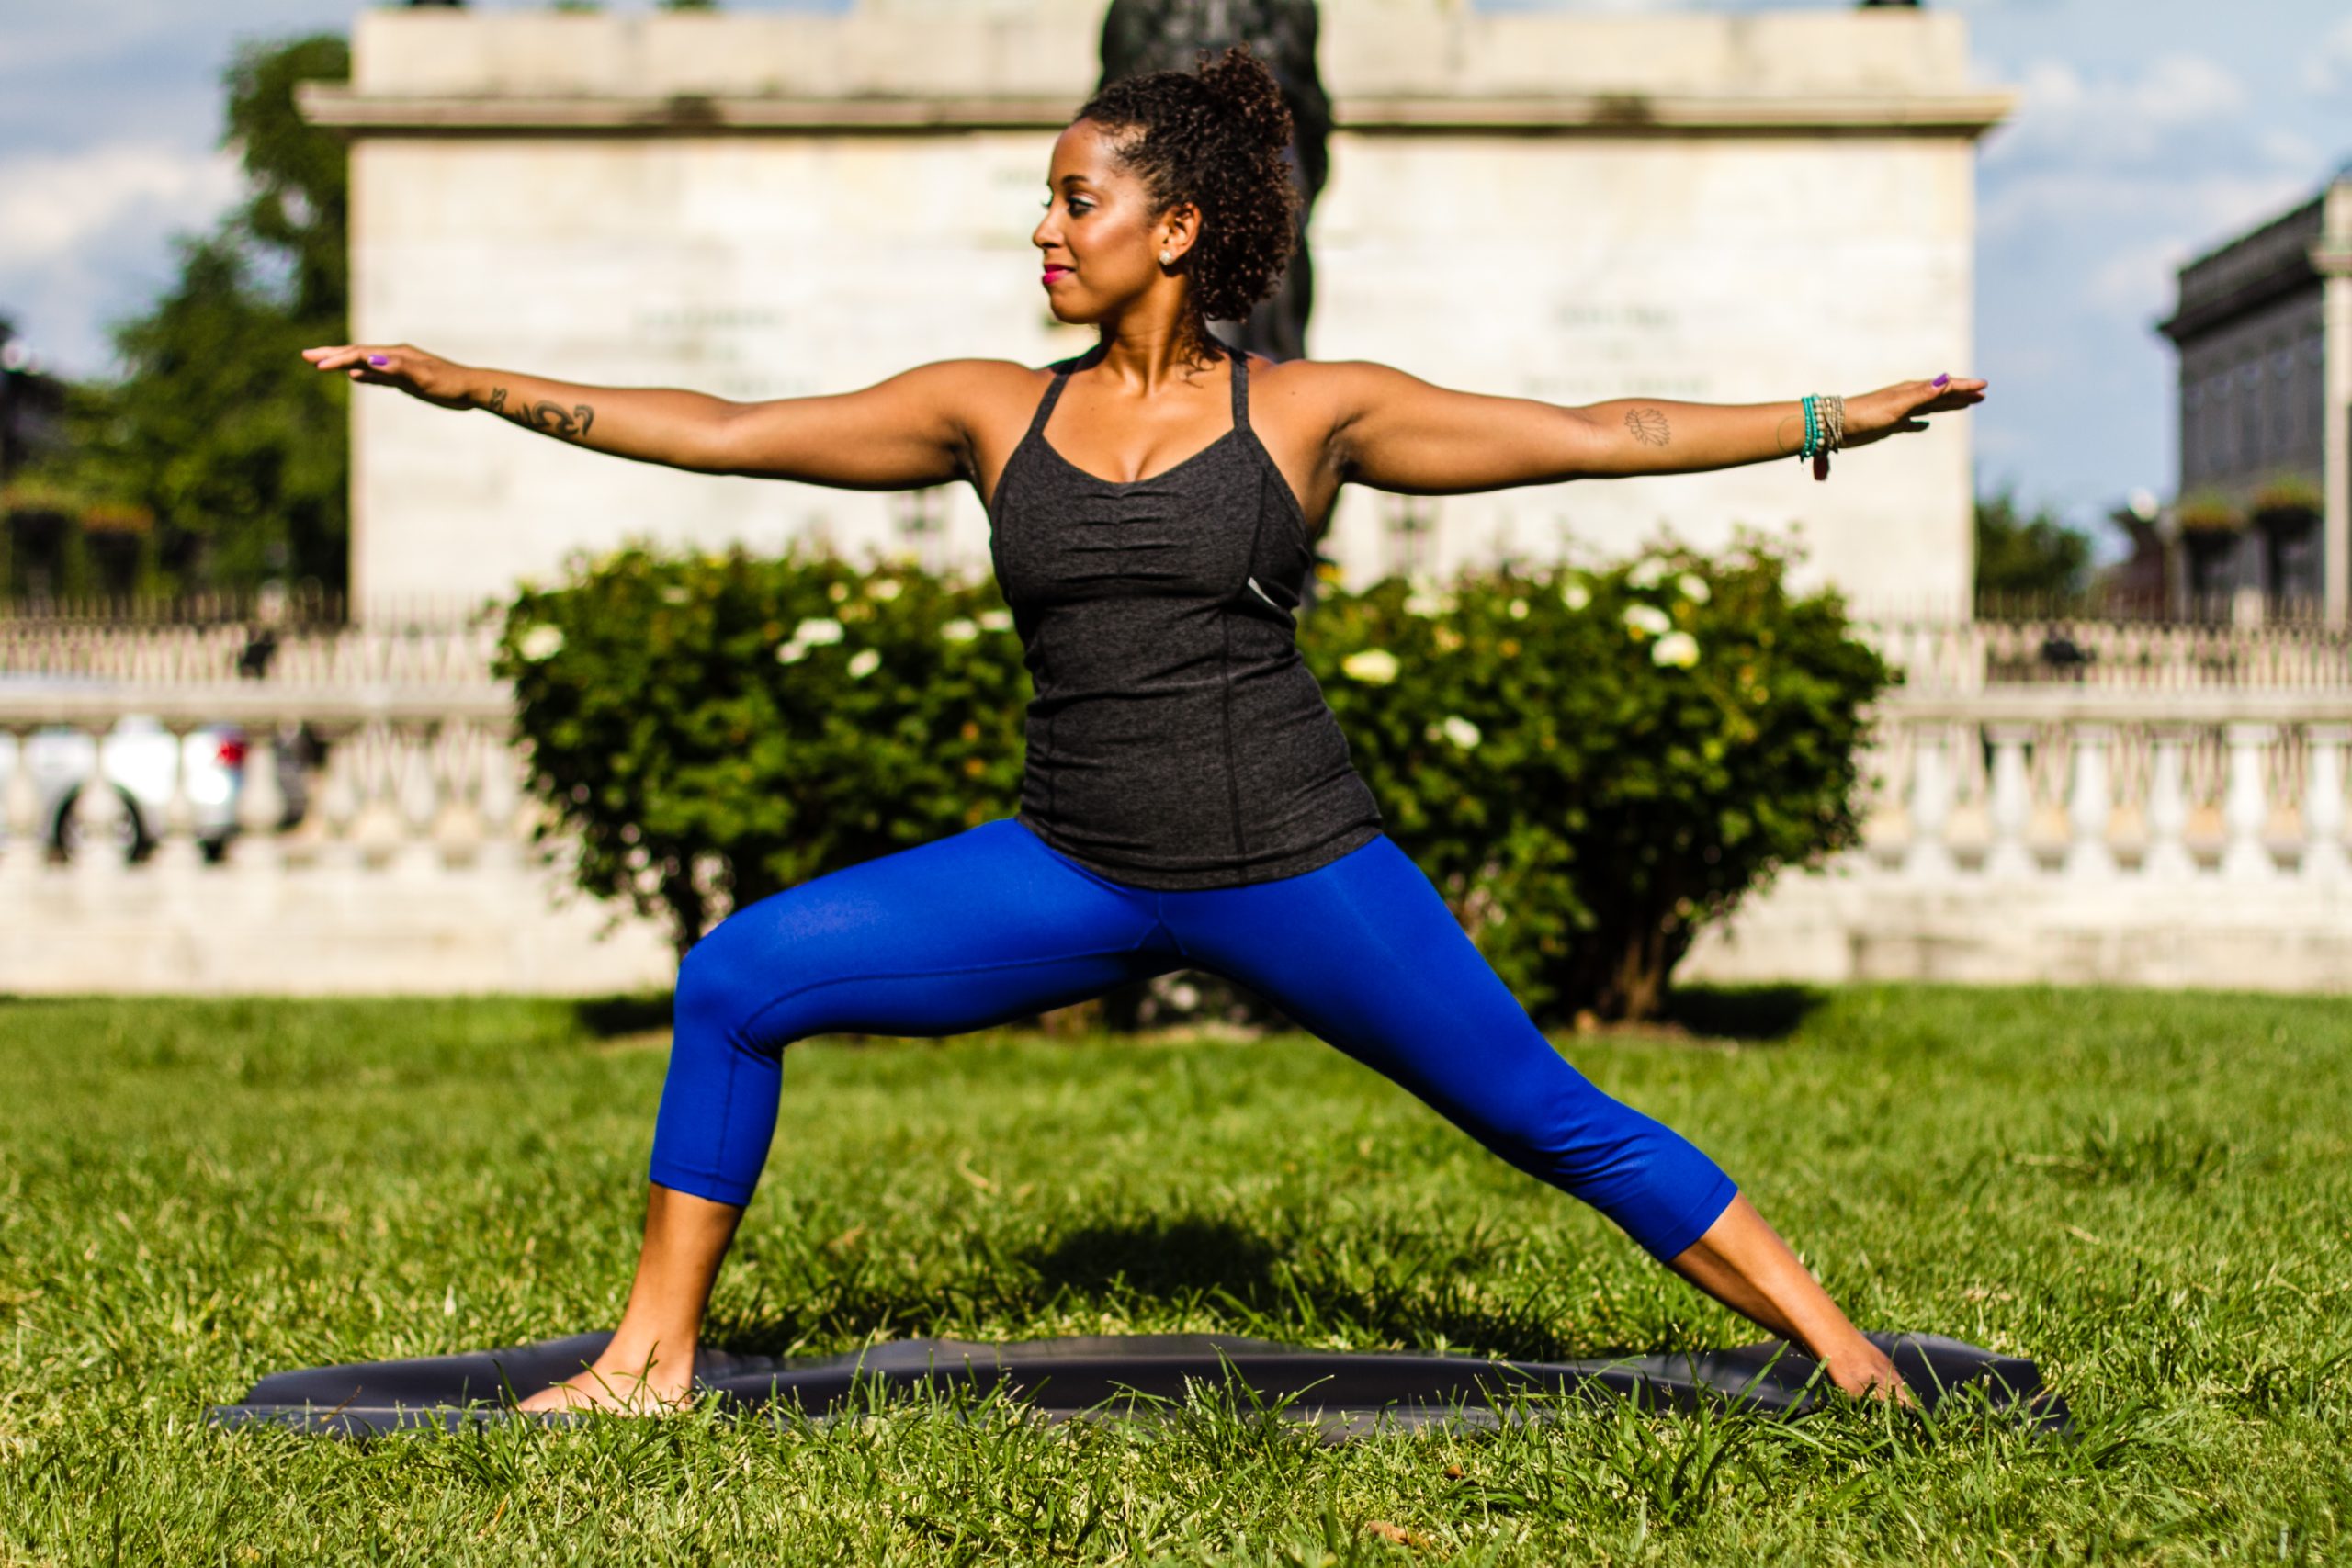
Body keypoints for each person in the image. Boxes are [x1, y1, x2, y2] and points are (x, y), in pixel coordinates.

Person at [305, 45, 1985, 1416]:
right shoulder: (987, 407)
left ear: (1171, 228)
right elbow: (729, 429)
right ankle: (649, 1363)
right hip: (1078, 865)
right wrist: (476, 387)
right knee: (739, 976)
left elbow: (1600, 430)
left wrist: (1836, 416)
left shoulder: (1312, 411)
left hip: (1298, 864)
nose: (1045, 228)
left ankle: (1846, 1361)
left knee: (1550, 1117)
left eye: (1074, 198)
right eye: (1043, 200)